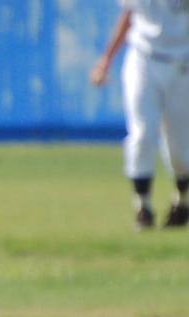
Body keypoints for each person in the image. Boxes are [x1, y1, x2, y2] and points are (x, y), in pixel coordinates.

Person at [91, 0, 189, 229]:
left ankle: (182, 202)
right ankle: (143, 207)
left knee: (180, 148)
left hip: (183, 63)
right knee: (142, 133)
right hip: (144, 57)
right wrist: (106, 59)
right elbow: (129, 14)